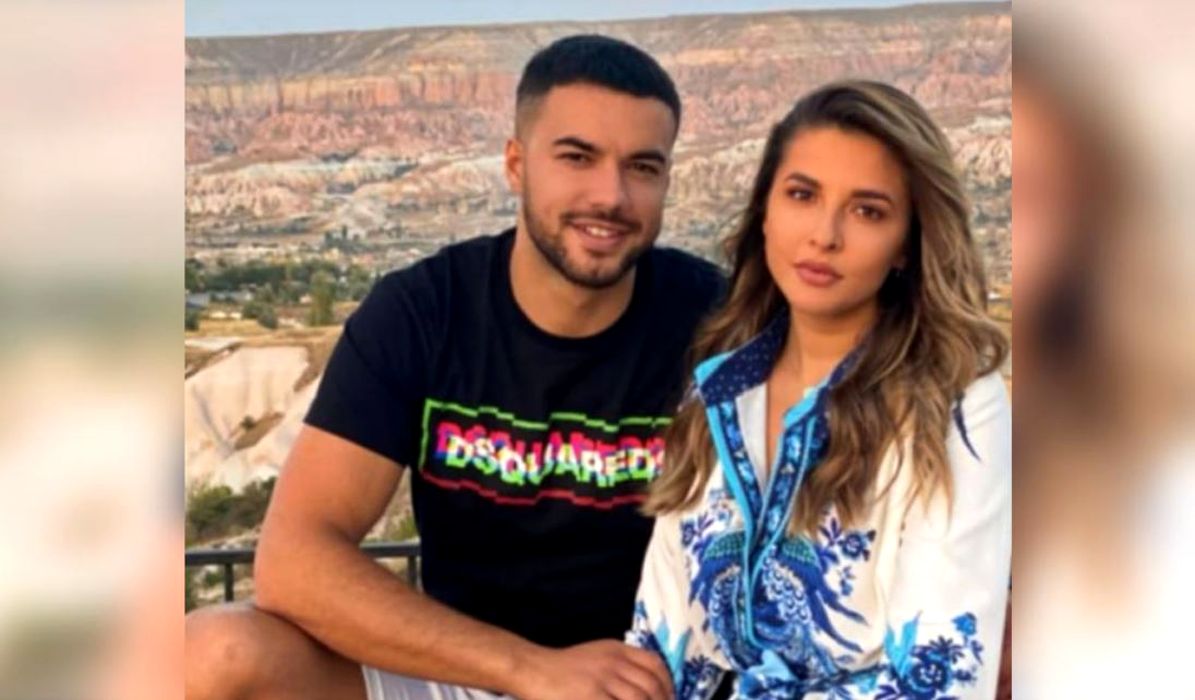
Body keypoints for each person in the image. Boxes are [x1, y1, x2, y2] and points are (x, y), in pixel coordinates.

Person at [185, 34, 724, 700]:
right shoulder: (423, 313)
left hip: (650, 683)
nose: (611, 195)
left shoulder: (716, 323)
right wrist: (533, 670)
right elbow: (293, 561)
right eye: (577, 157)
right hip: (466, 672)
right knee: (211, 652)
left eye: (642, 167)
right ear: (516, 165)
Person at [626, 80, 1011, 699]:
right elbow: (660, 640)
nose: (824, 235)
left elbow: (942, 676)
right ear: (766, 212)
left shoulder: (957, 405)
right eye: (802, 195)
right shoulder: (717, 393)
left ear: (906, 246)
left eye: (868, 211)